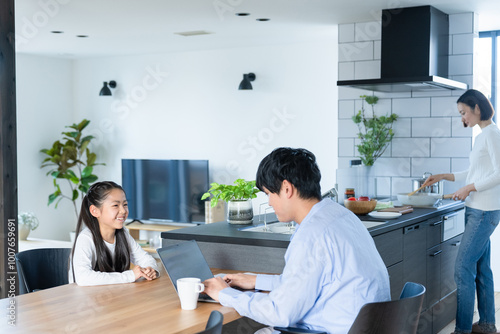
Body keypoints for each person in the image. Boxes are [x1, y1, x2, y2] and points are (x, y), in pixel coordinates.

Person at [203, 147, 390, 333]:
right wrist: (256, 281)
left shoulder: (312, 235)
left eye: (269, 194)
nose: (269, 202)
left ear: (286, 188)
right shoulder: (341, 216)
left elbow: (281, 313)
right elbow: (308, 284)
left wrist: (224, 294)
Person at [422, 89, 500, 334]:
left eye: (464, 112)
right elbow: (477, 172)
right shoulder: (483, 135)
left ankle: (462, 330)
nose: (463, 118)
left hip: (483, 212)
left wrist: (469, 188)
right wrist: (445, 176)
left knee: (462, 268)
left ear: (477, 108)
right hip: (478, 211)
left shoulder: (492, 134)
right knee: (480, 268)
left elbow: (499, 173)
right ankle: (486, 324)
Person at [70, 181, 160, 286]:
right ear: (95, 211)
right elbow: (83, 278)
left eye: (125, 204)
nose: (123, 211)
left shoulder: (123, 233)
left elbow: (144, 258)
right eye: (115, 205)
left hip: (112, 294)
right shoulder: (86, 238)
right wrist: (130, 276)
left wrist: (151, 269)